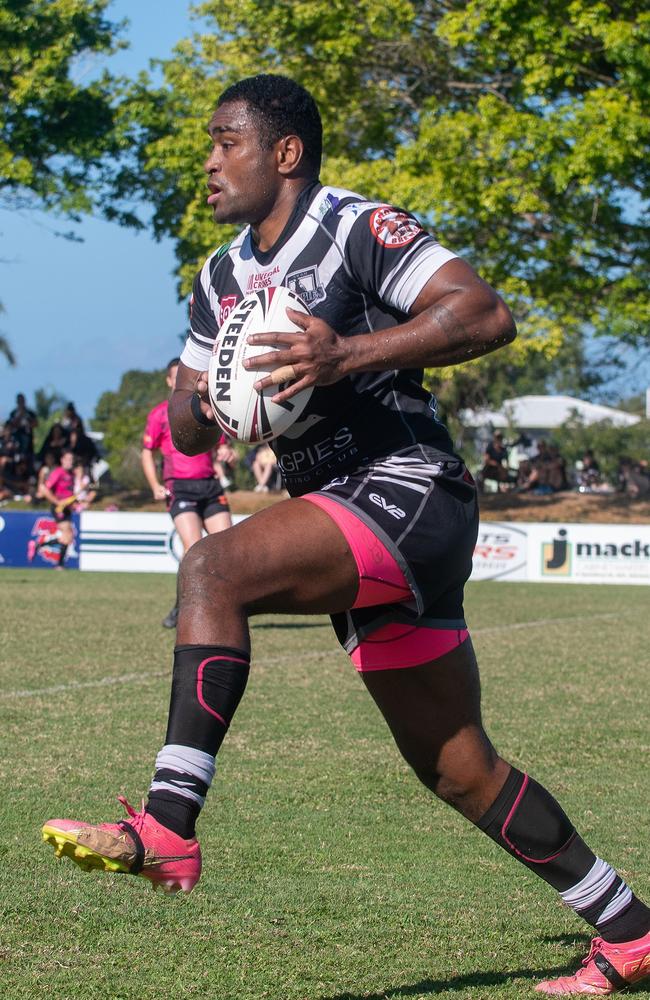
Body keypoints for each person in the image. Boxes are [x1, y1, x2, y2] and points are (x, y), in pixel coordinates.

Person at [42, 74, 650, 996]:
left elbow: (484, 314)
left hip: (409, 485)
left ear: (285, 152)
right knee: (459, 770)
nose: (207, 161)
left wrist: (345, 353)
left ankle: (167, 823)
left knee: (213, 569)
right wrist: (185, 394)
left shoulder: (357, 227)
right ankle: (630, 929)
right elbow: (201, 430)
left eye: (225, 141)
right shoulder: (217, 280)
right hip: (338, 506)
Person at [141, 357, 235, 628]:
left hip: (209, 484)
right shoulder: (160, 414)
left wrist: (227, 453)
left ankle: (227, 609)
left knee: (225, 549)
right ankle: (182, 607)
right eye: (175, 376)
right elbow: (147, 452)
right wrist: (154, 485)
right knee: (193, 549)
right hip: (179, 487)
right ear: (170, 381)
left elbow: (223, 447)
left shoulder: (208, 410)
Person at [29, 448, 77, 567]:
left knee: (68, 537)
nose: (70, 462)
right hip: (58, 508)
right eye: (68, 459)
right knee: (67, 534)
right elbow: (44, 489)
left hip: (67, 508)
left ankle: (38, 546)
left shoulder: (71, 474)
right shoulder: (58, 472)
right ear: (62, 460)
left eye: (72, 459)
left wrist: (74, 503)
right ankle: (59, 565)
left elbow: (69, 493)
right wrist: (57, 502)